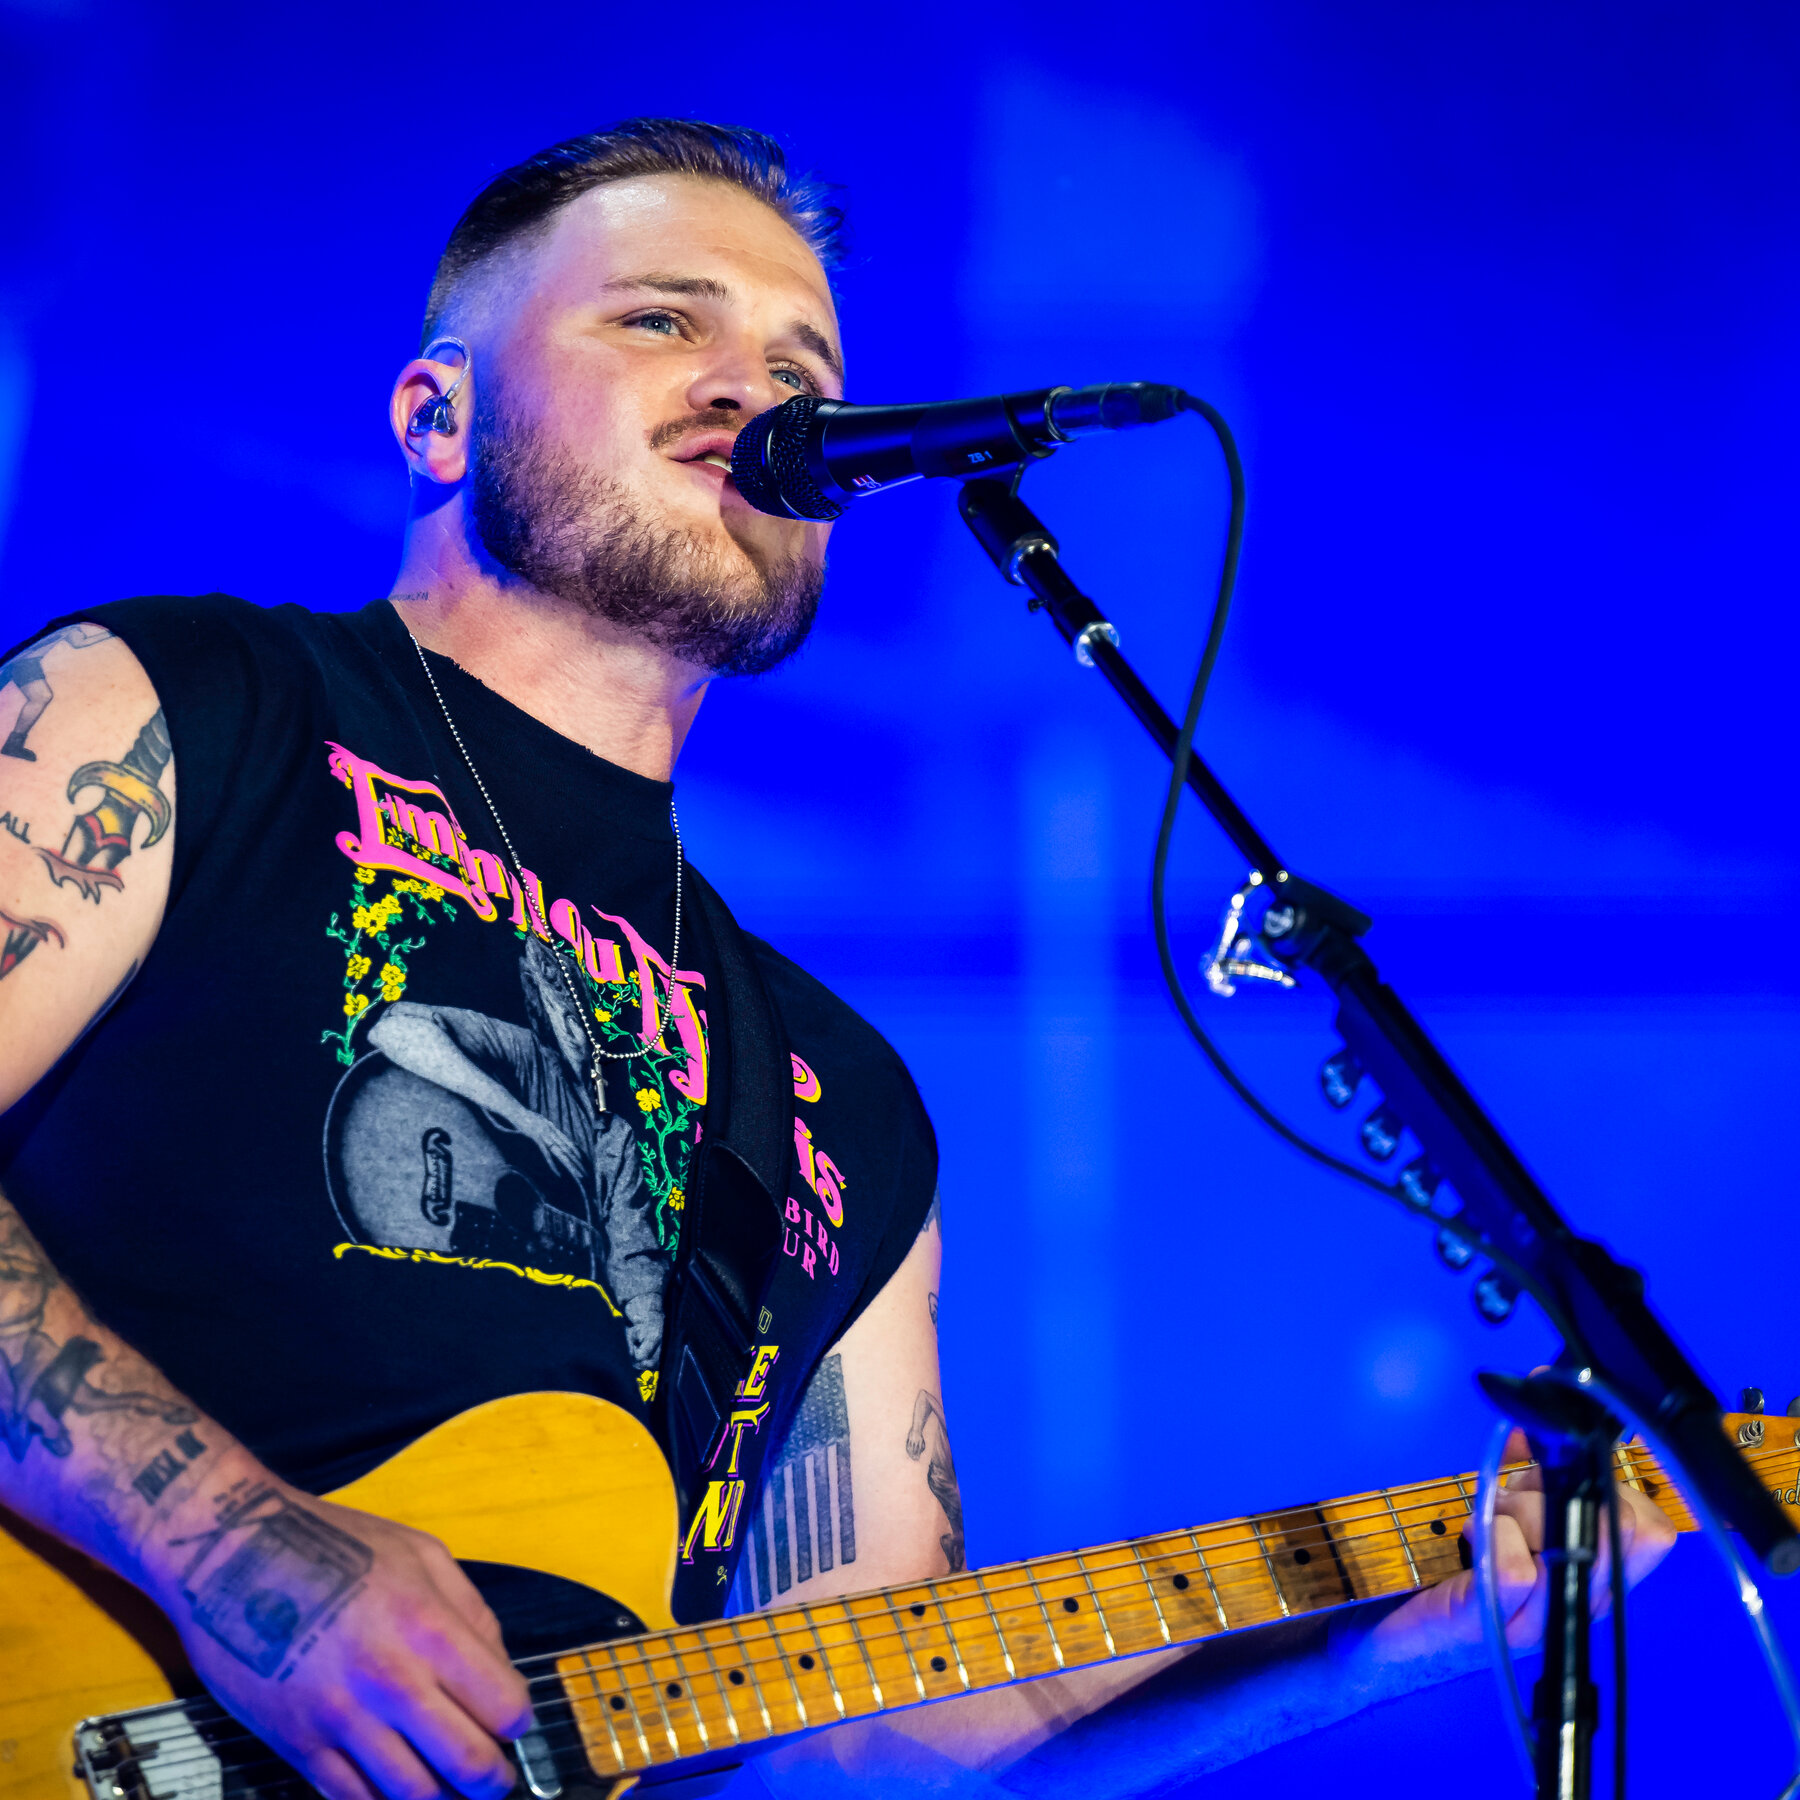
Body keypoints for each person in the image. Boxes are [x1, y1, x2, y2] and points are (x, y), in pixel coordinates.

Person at [0, 119, 1674, 1800]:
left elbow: (886, 1704)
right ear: (439, 417)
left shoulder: (833, 1097)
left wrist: (1387, 1636)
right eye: (663, 319)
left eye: (805, 367)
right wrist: (233, 1550)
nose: (758, 387)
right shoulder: (178, 709)